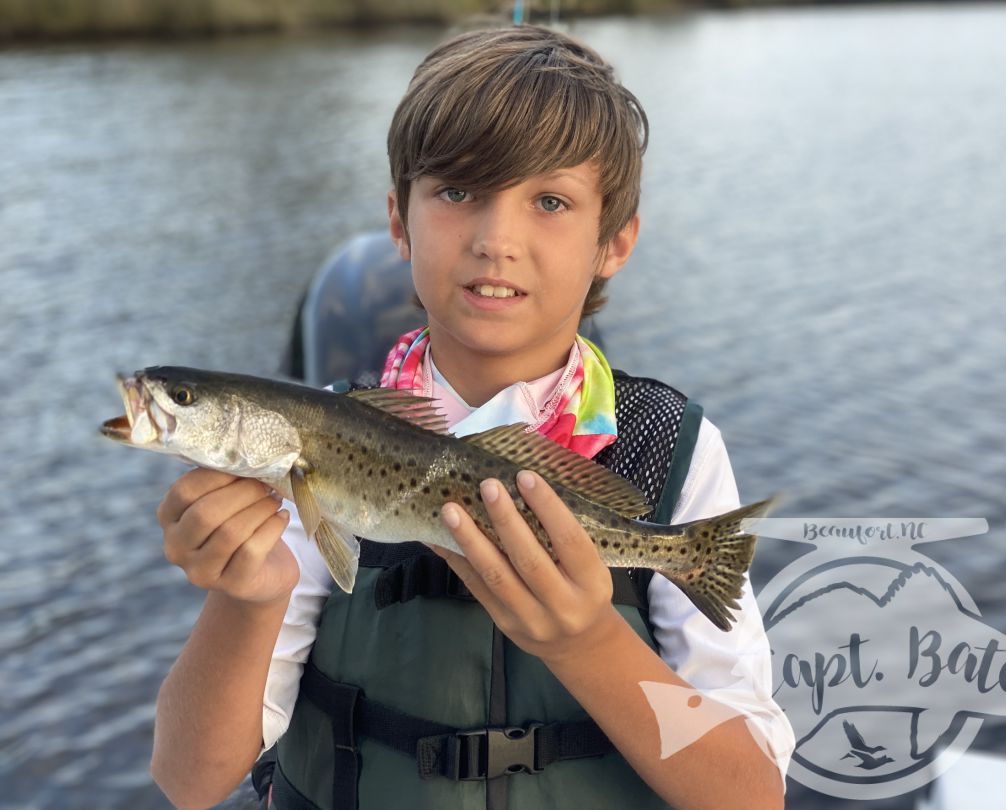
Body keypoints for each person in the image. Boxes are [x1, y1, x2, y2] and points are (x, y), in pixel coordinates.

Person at [150, 24, 794, 810]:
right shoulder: (315, 451)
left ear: (614, 242)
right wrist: (244, 598)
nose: (497, 240)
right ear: (399, 221)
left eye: (550, 201)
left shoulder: (668, 450)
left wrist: (587, 643)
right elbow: (190, 781)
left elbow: (752, 796)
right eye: (457, 192)